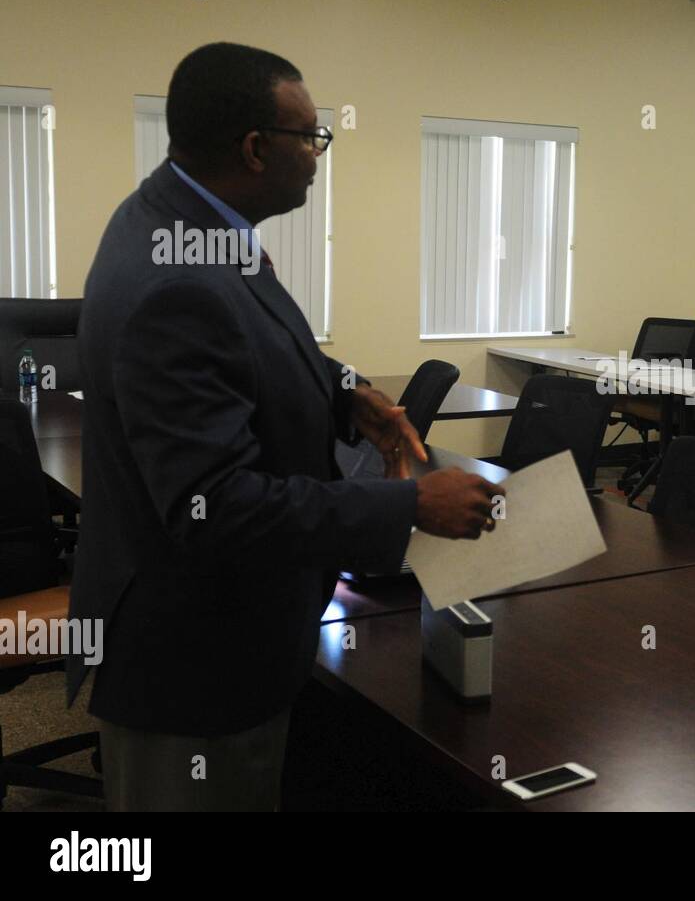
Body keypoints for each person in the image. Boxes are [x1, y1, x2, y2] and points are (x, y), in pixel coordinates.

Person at [68, 43, 504, 811]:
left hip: (224, 635)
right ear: (256, 147)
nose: (317, 157)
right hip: (195, 667)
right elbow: (218, 506)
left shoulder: (180, 220)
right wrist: (411, 506)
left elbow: (251, 347)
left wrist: (343, 390)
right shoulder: (178, 279)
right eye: (312, 138)